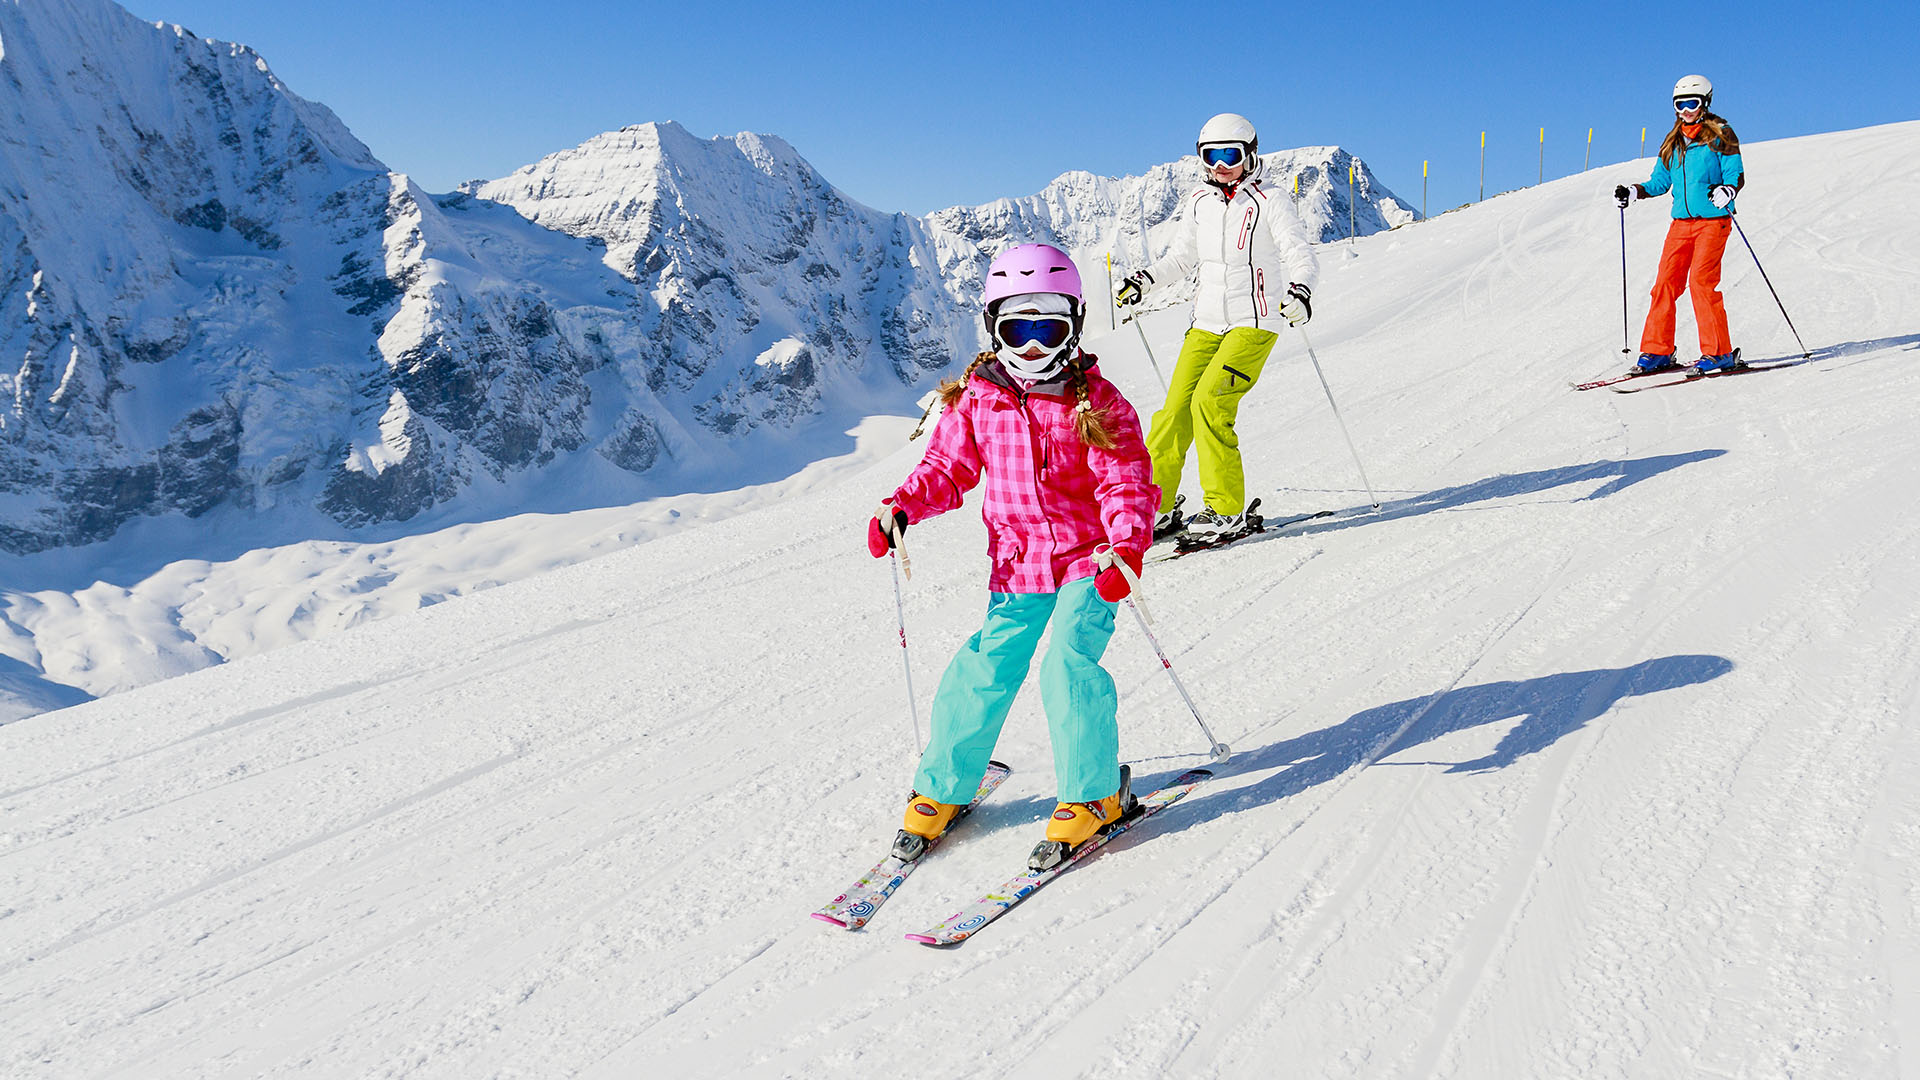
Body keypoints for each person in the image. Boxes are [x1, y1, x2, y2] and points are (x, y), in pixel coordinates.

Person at [867, 242, 1159, 871]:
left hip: (1092, 560)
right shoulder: (976, 398)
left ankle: (1095, 796)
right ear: (992, 326)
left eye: (1047, 328)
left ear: (1073, 325)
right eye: (1015, 329)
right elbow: (947, 468)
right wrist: (902, 508)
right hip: (1018, 561)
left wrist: (1128, 547)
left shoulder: (1096, 401)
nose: (1032, 346)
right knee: (986, 663)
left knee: (1068, 663)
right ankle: (943, 786)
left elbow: (1126, 478)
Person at [1114, 112, 1319, 541]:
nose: (1221, 165)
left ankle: (1226, 509)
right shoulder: (1198, 202)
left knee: (1210, 403)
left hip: (1254, 322)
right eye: (1212, 155)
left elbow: (1298, 251)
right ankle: (1159, 507)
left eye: (1231, 154)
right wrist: (1145, 281)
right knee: (1172, 414)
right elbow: (1183, 258)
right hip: (1205, 324)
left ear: (1251, 155)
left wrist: (1301, 292)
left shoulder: (1270, 200)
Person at [1615, 74, 1746, 375]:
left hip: (1714, 221)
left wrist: (1727, 190)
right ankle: (1658, 351)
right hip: (1681, 224)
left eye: (1692, 103)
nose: (1686, 110)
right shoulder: (1673, 141)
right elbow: (1660, 181)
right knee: (1665, 285)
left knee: (1701, 282)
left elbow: (1735, 172)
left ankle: (1719, 352)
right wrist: (1634, 191)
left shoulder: (1721, 134)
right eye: (1680, 104)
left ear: (1705, 103)